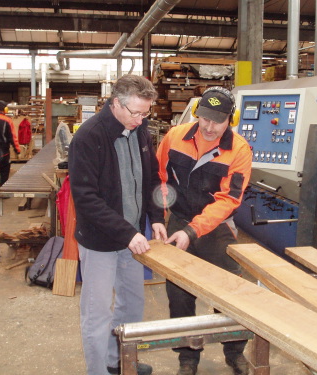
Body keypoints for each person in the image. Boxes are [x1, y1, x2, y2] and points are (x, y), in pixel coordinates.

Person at [68, 74, 168, 375]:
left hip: (133, 238)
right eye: (134, 113)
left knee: (132, 305)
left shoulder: (139, 131)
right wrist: (128, 232)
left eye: (145, 113)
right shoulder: (89, 137)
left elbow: (151, 178)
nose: (139, 119)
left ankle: (118, 361)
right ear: (115, 104)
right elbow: (85, 198)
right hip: (100, 241)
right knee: (97, 314)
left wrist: (158, 218)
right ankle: (97, 371)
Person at [156, 87, 253, 375]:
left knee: (230, 291)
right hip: (179, 220)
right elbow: (160, 177)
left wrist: (194, 230)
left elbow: (228, 200)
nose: (209, 127)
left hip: (217, 226)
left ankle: (234, 352)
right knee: (179, 292)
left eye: (217, 120)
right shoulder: (175, 137)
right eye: (205, 119)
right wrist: (159, 214)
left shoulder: (239, 150)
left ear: (230, 119)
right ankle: (187, 358)